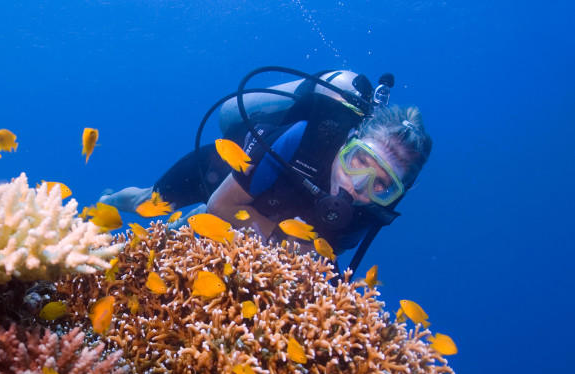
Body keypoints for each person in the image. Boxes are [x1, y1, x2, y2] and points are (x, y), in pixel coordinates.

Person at [99, 68, 432, 271]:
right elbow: (219, 206)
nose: (359, 186)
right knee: (146, 203)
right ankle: (111, 201)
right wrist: (286, 240)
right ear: (348, 142)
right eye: (359, 160)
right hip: (223, 172)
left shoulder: (368, 213)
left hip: (254, 222)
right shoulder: (308, 137)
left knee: (184, 232)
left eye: (382, 184)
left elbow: (325, 252)